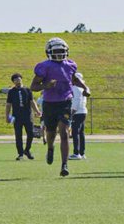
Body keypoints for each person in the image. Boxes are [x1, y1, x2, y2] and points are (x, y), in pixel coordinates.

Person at [30, 37, 90, 177]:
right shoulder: (44, 66)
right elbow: (33, 86)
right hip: (50, 103)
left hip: (65, 102)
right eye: (56, 51)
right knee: (51, 133)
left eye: (61, 51)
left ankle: (64, 165)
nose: (59, 54)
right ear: (49, 52)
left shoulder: (70, 65)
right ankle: (50, 148)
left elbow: (74, 79)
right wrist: (46, 86)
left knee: (64, 133)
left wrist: (85, 87)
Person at [6, 73, 38, 160]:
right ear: (13, 82)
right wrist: (7, 116)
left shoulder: (27, 90)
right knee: (18, 135)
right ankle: (20, 154)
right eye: (16, 80)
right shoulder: (11, 92)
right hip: (17, 117)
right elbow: (8, 105)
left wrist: (37, 111)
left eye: (19, 79)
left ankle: (27, 150)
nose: (18, 81)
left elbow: (32, 102)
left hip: (28, 116)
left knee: (31, 134)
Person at [69, 73, 89, 159]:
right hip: (83, 111)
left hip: (77, 112)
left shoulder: (76, 88)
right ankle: (82, 152)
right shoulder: (82, 88)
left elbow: (76, 102)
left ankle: (76, 153)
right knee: (81, 133)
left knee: (75, 132)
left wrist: (71, 113)